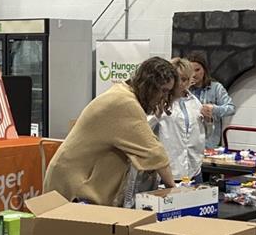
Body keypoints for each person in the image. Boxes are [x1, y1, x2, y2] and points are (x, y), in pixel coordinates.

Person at [44, 57, 179, 206]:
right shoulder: (125, 103)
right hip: (73, 186)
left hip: (74, 177)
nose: (164, 97)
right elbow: (155, 154)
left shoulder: (122, 92)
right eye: (164, 91)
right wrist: (174, 191)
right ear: (150, 86)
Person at [156, 58, 206, 183]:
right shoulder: (159, 102)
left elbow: (203, 134)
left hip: (194, 170)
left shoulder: (195, 102)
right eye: (177, 79)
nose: (181, 84)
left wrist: (209, 121)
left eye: (185, 79)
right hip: (168, 171)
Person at [188, 51, 235, 149]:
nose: (194, 74)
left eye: (197, 70)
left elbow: (231, 108)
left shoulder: (216, 88)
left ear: (204, 70)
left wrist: (213, 109)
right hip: (190, 141)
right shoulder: (185, 90)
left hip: (210, 142)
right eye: (191, 71)